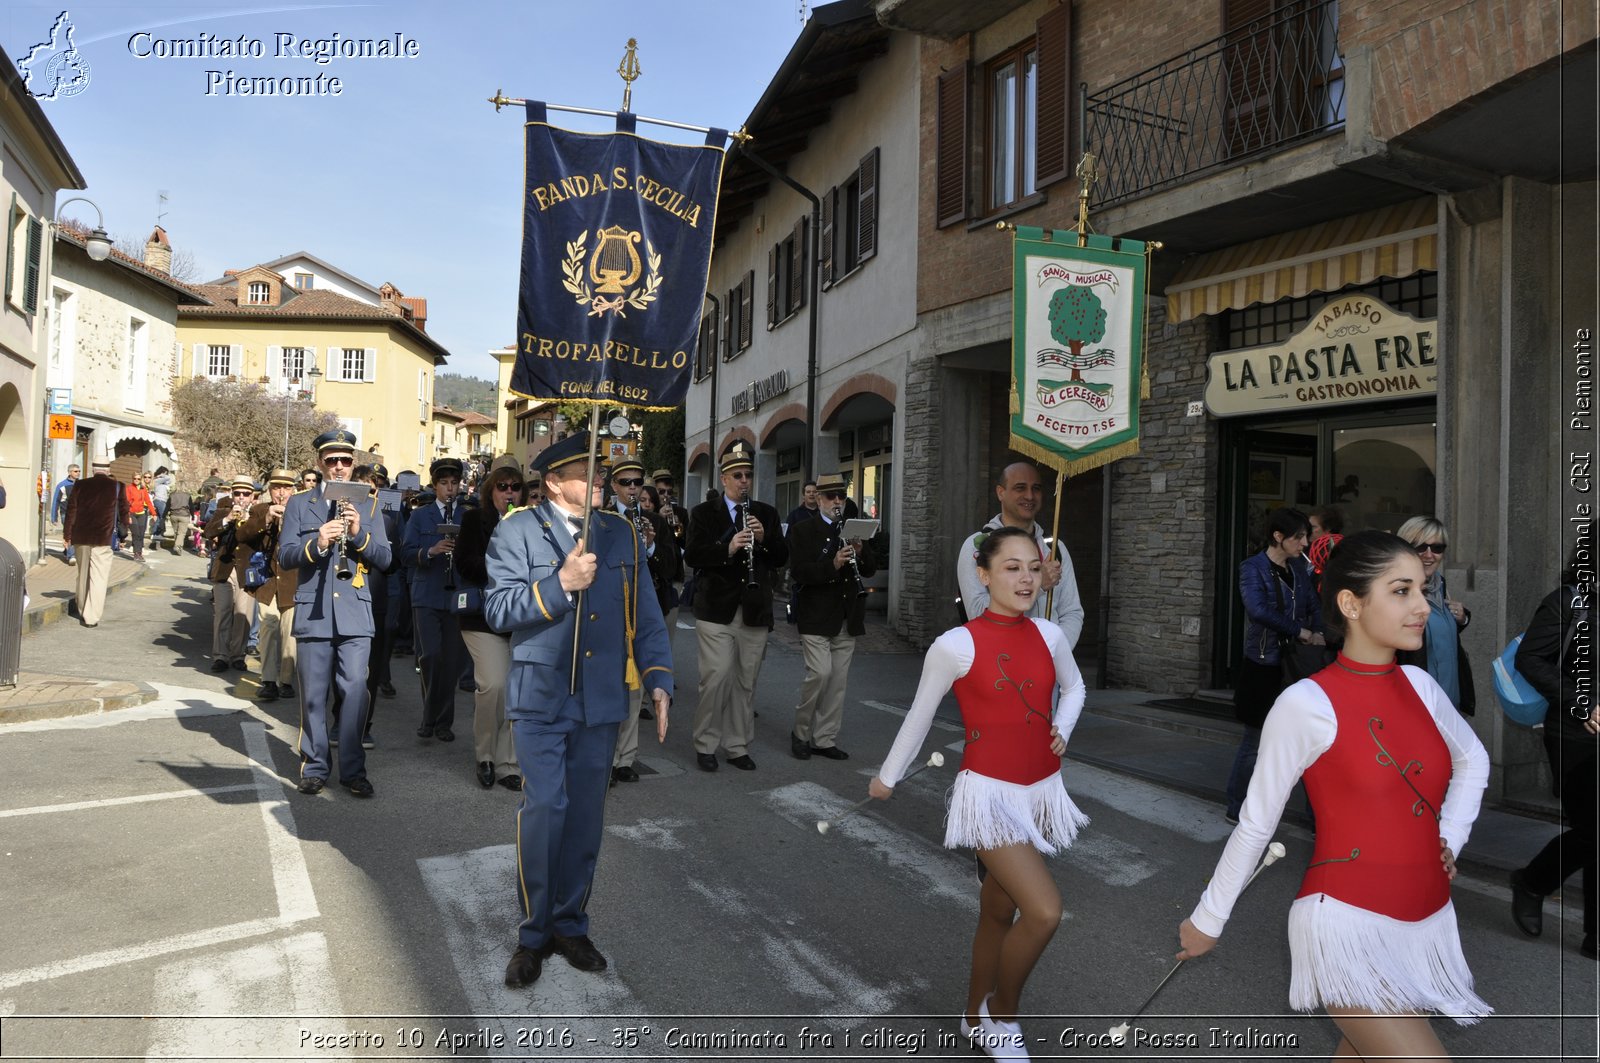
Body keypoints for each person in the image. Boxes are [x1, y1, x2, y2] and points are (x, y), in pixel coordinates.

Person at [1179, 530, 1492, 1059]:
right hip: (1346, 924)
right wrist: (1208, 919)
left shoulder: (1421, 688)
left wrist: (1449, 839)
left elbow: (1473, 759)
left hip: (1426, 918)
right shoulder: (1306, 703)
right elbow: (1257, 823)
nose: (1422, 606)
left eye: (1421, 588)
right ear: (1350, 603)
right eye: (1401, 591)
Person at [870, 526, 1087, 1060]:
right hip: (988, 797)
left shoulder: (1049, 635)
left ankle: (972, 1017)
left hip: (1039, 792)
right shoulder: (956, 644)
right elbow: (917, 717)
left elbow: (1075, 687)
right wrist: (889, 776)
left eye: (1034, 568)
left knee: (999, 913)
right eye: (1011, 568)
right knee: (1044, 912)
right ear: (982, 575)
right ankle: (1000, 1016)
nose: (1026, 578)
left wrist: (1063, 723)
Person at [484, 432, 673, 988]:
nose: (598, 481)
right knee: (546, 812)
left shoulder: (620, 534)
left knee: (586, 819)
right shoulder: (516, 529)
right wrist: (559, 584)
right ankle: (533, 933)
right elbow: (498, 609)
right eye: (585, 473)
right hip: (541, 698)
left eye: (600, 472)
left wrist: (660, 677)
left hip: (601, 701)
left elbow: (648, 613)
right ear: (551, 482)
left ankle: (570, 923)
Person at [277, 429, 392, 797]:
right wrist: (319, 542)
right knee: (313, 694)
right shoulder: (299, 503)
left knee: (356, 691)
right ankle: (314, 766)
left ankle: (353, 769)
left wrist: (358, 533)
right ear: (319, 464)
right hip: (314, 611)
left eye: (345, 460)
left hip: (356, 614)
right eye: (332, 461)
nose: (339, 468)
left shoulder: (370, 505)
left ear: (352, 463)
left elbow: (387, 559)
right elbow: (286, 556)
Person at [1509, 548, 1597, 959]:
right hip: (1576, 735)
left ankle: (1533, 882)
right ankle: (1533, 882)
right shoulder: (1568, 601)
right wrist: (1581, 702)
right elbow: (1531, 659)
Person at [683, 447, 790, 772]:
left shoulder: (766, 513)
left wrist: (765, 538)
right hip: (716, 608)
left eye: (748, 476)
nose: (745, 482)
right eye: (738, 476)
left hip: (754, 610)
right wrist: (727, 548)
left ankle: (738, 745)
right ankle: (705, 743)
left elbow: (781, 557)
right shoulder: (703, 513)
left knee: (746, 681)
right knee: (716, 678)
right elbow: (693, 556)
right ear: (725, 478)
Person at [1227, 507, 1325, 824]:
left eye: (1307, 536)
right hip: (1263, 663)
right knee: (1255, 741)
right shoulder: (1252, 568)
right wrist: (1301, 631)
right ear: (1278, 537)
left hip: (1296, 664)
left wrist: (1321, 632)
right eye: (1299, 537)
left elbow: (1313, 605)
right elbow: (1258, 609)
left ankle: (1317, 816)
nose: (1305, 543)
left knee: (1309, 740)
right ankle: (1237, 805)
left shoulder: (1299, 569)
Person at [787, 475, 878, 761]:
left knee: (837, 681)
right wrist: (834, 564)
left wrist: (861, 553)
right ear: (818, 500)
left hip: (846, 615)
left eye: (840, 496)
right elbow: (800, 573)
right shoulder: (803, 530)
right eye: (830, 496)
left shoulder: (852, 528)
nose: (836, 501)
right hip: (814, 615)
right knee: (819, 674)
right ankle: (801, 733)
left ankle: (824, 738)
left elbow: (871, 569)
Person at [956, 462, 1084, 648]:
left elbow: (1071, 612)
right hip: (998, 664)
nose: (1030, 496)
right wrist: (1039, 583)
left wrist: (1054, 652)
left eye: (1036, 489)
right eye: (1020, 488)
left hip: (1049, 666)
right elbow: (976, 612)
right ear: (1001, 492)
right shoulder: (978, 547)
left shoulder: (1055, 549)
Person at [453, 455, 522, 791]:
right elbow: (465, 565)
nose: (509, 492)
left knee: (516, 691)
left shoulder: (531, 522)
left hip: (521, 618)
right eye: (502, 486)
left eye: (515, 487)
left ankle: (508, 762)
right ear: (490, 490)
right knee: (493, 685)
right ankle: (485, 756)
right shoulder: (473, 520)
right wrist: (502, 559)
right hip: (482, 618)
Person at [607, 456, 668, 784]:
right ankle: (605, 757)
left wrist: (651, 545)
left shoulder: (653, 520)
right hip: (610, 613)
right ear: (615, 486)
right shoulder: (601, 519)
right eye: (626, 483)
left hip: (639, 614)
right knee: (611, 687)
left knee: (634, 690)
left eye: (637, 483)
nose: (633, 489)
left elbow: (670, 567)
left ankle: (625, 758)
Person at [402, 457, 470, 742]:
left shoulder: (467, 516)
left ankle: (442, 723)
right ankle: (430, 716)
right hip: (427, 595)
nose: (450, 489)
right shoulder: (420, 516)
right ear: (435, 485)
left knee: (451, 661)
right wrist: (431, 551)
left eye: (454, 483)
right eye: (444, 484)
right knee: (430, 656)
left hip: (456, 596)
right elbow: (406, 553)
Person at [1395, 516, 1474, 715]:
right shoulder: (1396, 592)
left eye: (1437, 548)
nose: (1429, 555)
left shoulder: (1440, 585)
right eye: (1421, 547)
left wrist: (1461, 618)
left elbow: (1437, 634)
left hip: (1450, 705)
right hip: (1418, 710)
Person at [237, 469, 300, 701]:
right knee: (268, 628)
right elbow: (243, 534)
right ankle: (269, 680)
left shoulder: (301, 509)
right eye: (276, 488)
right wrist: (267, 519)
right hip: (268, 582)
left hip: (293, 582)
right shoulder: (260, 509)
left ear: (293, 489)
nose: (281, 493)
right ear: (269, 489)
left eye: (286, 488)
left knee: (289, 633)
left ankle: (286, 680)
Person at [62, 459, 127, 626]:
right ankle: (91, 617)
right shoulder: (117, 486)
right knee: (99, 577)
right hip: (103, 538)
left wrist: (67, 534)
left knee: (83, 574)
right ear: (108, 469)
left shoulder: (80, 485)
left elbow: (71, 511)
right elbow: (124, 512)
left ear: (92, 468)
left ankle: (82, 609)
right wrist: (124, 536)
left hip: (81, 536)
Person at [204, 478, 257, 673]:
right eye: (237, 493)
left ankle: (238, 655)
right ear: (232, 494)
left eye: (245, 494)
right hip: (225, 568)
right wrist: (227, 520)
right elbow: (208, 532)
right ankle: (220, 656)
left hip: (247, 570)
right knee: (222, 613)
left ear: (252, 496)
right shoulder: (221, 511)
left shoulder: (257, 514)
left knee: (242, 614)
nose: (241, 498)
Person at [51, 464, 80, 565]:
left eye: (79, 471)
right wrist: (54, 517)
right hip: (66, 514)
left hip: (79, 514)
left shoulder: (81, 484)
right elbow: (56, 501)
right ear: (69, 472)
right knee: (70, 533)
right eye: (75, 471)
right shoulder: (62, 485)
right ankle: (71, 556)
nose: (78, 473)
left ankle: (66, 551)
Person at [126, 473, 153, 562]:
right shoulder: (129, 488)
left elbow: (148, 501)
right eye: (135, 478)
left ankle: (139, 553)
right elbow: (126, 503)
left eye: (138, 479)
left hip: (141, 513)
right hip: (132, 513)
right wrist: (128, 515)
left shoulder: (143, 489)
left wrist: (154, 513)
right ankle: (136, 553)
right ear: (132, 479)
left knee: (141, 534)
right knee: (136, 533)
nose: (136, 480)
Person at [149, 466, 173, 549]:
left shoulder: (161, 482)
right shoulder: (157, 480)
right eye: (165, 472)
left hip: (162, 501)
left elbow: (169, 481)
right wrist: (162, 475)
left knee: (159, 519)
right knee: (163, 517)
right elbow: (168, 478)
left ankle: (155, 539)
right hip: (159, 500)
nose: (166, 474)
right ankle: (160, 533)